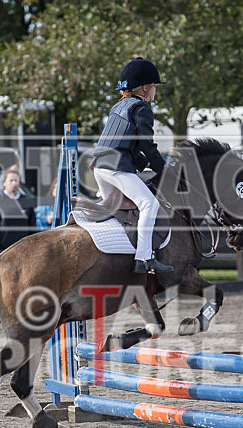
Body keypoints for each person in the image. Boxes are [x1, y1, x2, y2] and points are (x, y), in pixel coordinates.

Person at [91, 57, 172, 274]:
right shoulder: (142, 108)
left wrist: (144, 165)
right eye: (154, 86)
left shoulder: (119, 106)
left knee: (119, 210)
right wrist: (163, 168)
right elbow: (147, 144)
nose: (155, 91)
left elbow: (131, 145)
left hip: (99, 167)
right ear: (145, 88)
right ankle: (145, 259)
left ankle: (113, 256)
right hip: (116, 166)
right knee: (149, 205)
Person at [0, 166, 35, 250]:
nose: (14, 183)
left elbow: (32, 224)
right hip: (3, 248)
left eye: (16, 180)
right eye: (11, 180)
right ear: (4, 182)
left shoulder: (26, 200)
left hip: (23, 247)